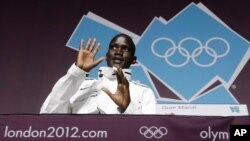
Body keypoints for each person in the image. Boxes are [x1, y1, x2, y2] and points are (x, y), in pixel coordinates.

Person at [40, 33, 156, 114]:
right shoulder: (81, 84)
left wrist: (128, 108)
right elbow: (50, 114)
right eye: (113, 47)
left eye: (125, 49)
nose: (118, 52)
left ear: (134, 60)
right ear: (107, 55)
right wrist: (77, 73)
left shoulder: (144, 92)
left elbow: (147, 132)